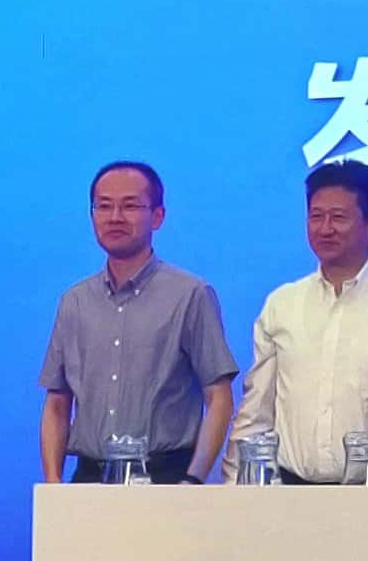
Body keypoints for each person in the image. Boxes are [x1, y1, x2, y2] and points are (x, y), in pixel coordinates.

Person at [39, 161, 239, 485]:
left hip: (164, 476)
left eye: (130, 206)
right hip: (88, 479)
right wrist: (53, 484)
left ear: (158, 216)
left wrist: (193, 480)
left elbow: (219, 397)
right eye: (104, 206)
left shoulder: (190, 294)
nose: (115, 217)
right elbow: (57, 403)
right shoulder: (74, 302)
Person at [228, 160, 368, 484]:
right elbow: (256, 410)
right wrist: (234, 484)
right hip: (290, 490)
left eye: (338, 217)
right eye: (316, 216)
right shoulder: (282, 303)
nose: (324, 228)